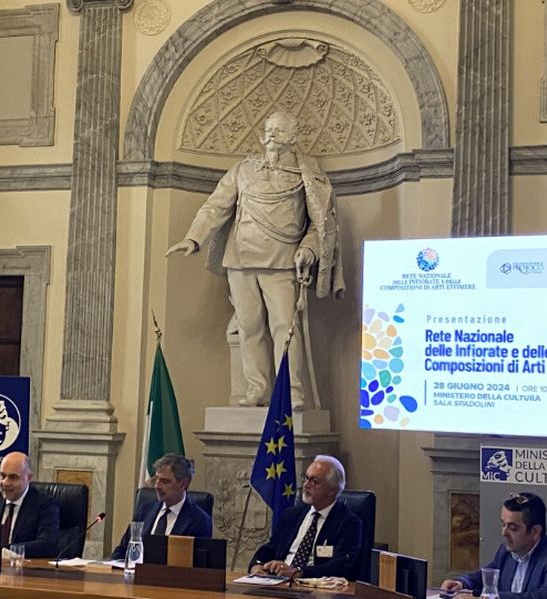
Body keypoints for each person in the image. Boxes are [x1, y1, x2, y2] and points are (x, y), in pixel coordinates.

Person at [166, 110, 343, 411]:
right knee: (249, 327)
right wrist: (193, 238)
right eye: (268, 129)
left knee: (286, 328)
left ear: (293, 137)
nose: (271, 134)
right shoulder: (242, 170)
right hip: (240, 259)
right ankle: (257, 389)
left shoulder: (307, 176)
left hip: (283, 260)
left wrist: (309, 249)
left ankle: (291, 391)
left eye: (279, 130)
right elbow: (215, 207)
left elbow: (320, 223)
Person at [441, 492, 547, 598]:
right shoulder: (506, 552)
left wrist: (485, 597)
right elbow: (488, 575)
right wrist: (462, 583)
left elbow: (541, 597)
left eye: (513, 528)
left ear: (535, 531)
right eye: (503, 524)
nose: (504, 533)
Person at [248, 455, 362, 579]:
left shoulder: (348, 522)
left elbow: (340, 565)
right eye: (306, 478)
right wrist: (257, 565)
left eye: (314, 481)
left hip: (313, 584)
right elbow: (269, 548)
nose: (306, 485)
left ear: (332, 490)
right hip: (278, 580)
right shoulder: (292, 515)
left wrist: (299, 572)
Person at [111, 453, 212, 560]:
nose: (157, 486)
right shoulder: (145, 509)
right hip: (138, 570)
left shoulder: (200, 520)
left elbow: (198, 564)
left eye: (165, 481)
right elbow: (123, 549)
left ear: (183, 484)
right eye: (157, 479)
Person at [0, 451, 60, 558]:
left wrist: (8, 551)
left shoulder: (45, 504)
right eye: (2, 476)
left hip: (25, 566)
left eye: (13, 477)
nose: (5, 483)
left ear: (28, 478)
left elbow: (48, 544)